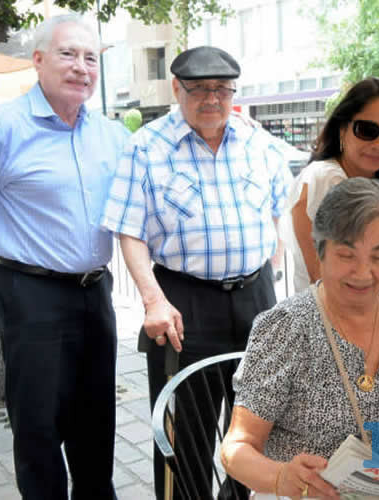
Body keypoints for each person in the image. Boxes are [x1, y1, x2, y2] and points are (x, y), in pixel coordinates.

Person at [0, 14, 128, 500]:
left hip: (96, 291)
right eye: (69, 54)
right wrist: (10, 261)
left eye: (91, 57)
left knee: (96, 418)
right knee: (38, 424)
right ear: (39, 60)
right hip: (31, 294)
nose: (81, 67)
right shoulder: (3, 127)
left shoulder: (111, 135)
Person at [101, 45, 290, 500]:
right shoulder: (147, 147)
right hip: (184, 304)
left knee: (253, 425)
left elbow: (279, 213)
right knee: (185, 433)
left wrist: (270, 276)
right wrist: (152, 300)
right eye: (199, 89)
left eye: (222, 89)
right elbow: (129, 231)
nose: (212, 98)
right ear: (176, 89)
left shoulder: (257, 142)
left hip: (256, 299)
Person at [221, 178, 379, 498]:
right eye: (347, 255)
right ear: (320, 252)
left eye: (378, 257)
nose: (363, 273)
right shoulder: (284, 328)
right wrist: (282, 477)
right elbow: (236, 448)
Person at [288, 77, 379, 293]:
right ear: (342, 129)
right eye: (367, 130)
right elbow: (323, 278)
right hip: (333, 320)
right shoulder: (326, 179)